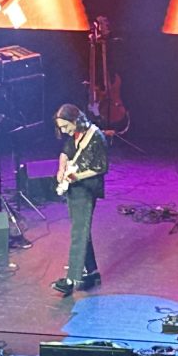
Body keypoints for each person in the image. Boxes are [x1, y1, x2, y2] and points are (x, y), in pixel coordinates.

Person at [50, 102, 109, 297]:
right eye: (61, 128)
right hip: (74, 188)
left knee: (78, 232)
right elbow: (65, 152)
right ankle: (91, 272)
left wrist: (78, 177)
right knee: (81, 229)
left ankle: (71, 278)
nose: (65, 131)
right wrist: (61, 169)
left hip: (87, 188)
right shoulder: (74, 135)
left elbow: (101, 168)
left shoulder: (96, 136)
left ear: (76, 120)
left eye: (66, 126)